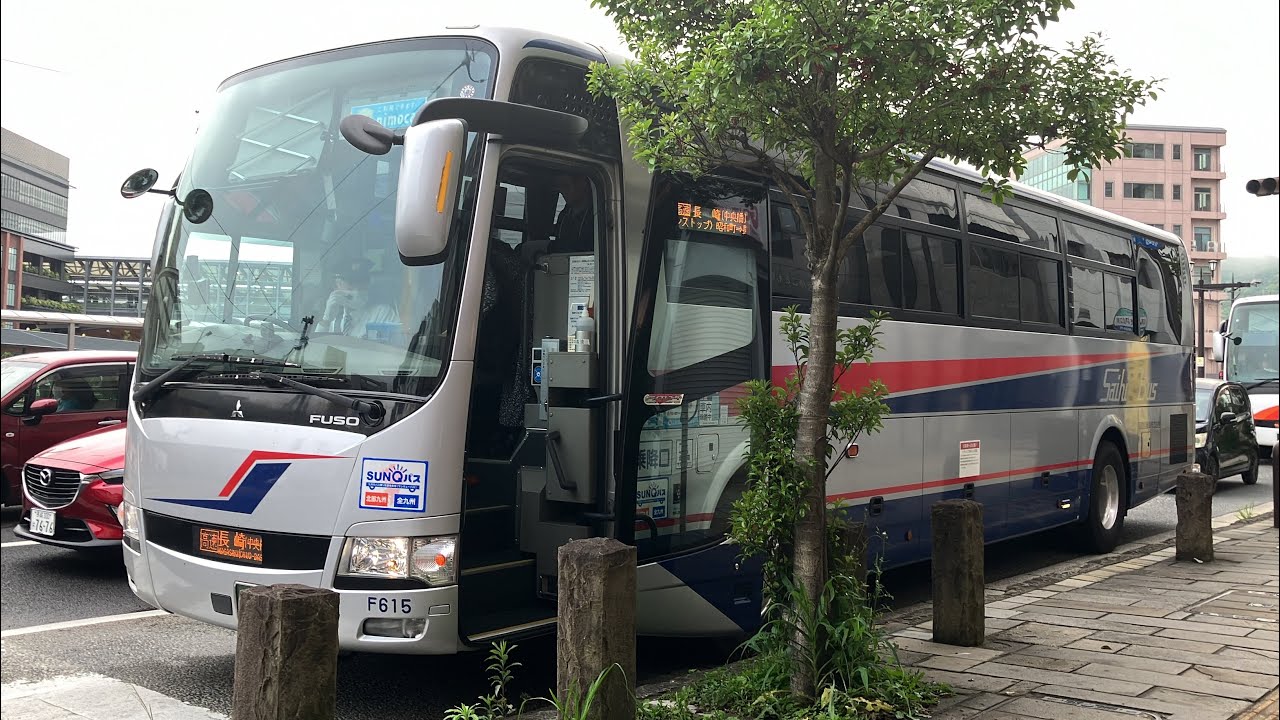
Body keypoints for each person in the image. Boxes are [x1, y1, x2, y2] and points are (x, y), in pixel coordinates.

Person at [523, 174, 596, 260]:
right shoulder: (564, 215)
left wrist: (550, 249)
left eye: (566, 186)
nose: (562, 191)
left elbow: (585, 249)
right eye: (560, 187)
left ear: (582, 184)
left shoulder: (596, 216)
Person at [322, 265, 400, 338]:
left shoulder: (383, 313)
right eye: (350, 283)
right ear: (337, 286)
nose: (356, 289)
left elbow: (394, 346)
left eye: (361, 282)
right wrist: (326, 320)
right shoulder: (335, 315)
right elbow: (317, 347)